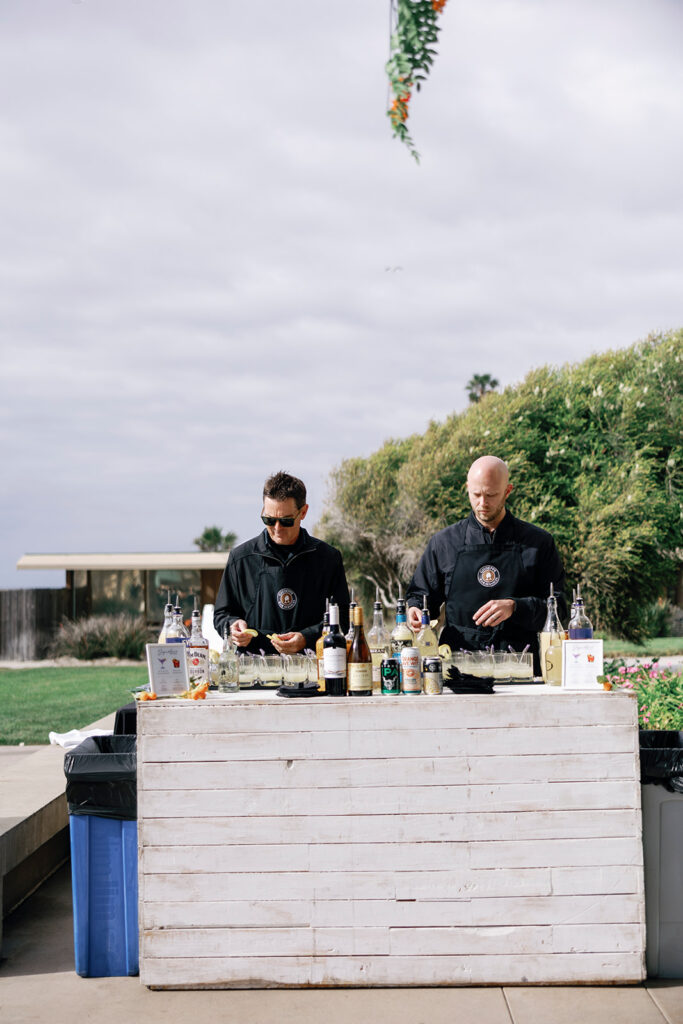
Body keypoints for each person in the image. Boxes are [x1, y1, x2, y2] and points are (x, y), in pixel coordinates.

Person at [406, 455, 567, 673]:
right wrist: (414, 610)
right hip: (458, 666)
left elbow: (559, 608)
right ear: (467, 488)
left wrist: (516, 607)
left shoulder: (538, 543)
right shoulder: (444, 543)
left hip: (520, 666)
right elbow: (422, 597)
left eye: (491, 495)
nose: (483, 503)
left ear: (508, 491)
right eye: (476, 494)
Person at [214, 470, 349, 655]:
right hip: (254, 668)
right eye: (269, 519)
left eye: (285, 521)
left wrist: (306, 637)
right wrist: (232, 626)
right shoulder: (240, 558)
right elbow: (222, 614)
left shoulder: (328, 558)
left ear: (303, 512)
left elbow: (343, 617)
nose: (277, 528)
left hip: (310, 666)